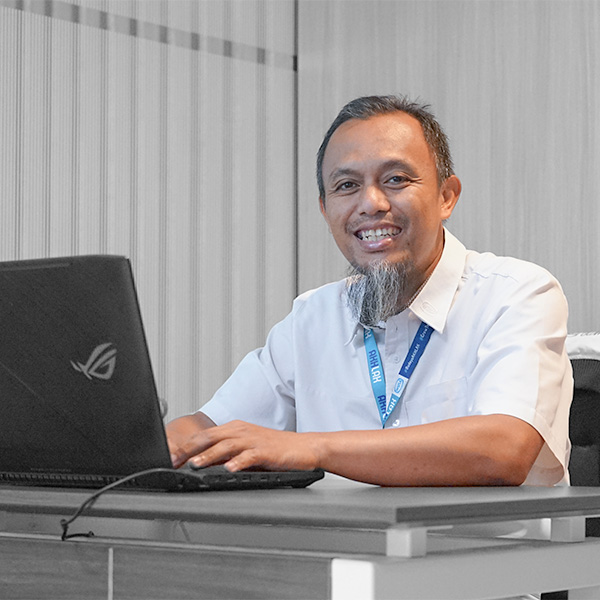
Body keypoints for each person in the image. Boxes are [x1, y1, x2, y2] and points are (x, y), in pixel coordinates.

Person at [166, 95, 573, 487]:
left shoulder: (516, 294)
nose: (371, 203)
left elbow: (505, 448)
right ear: (325, 210)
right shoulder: (312, 318)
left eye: (395, 179)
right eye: (346, 185)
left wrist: (311, 448)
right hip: (341, 537)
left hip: (486, 538)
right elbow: (206, 426)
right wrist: (164, 443)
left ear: (446, 196)